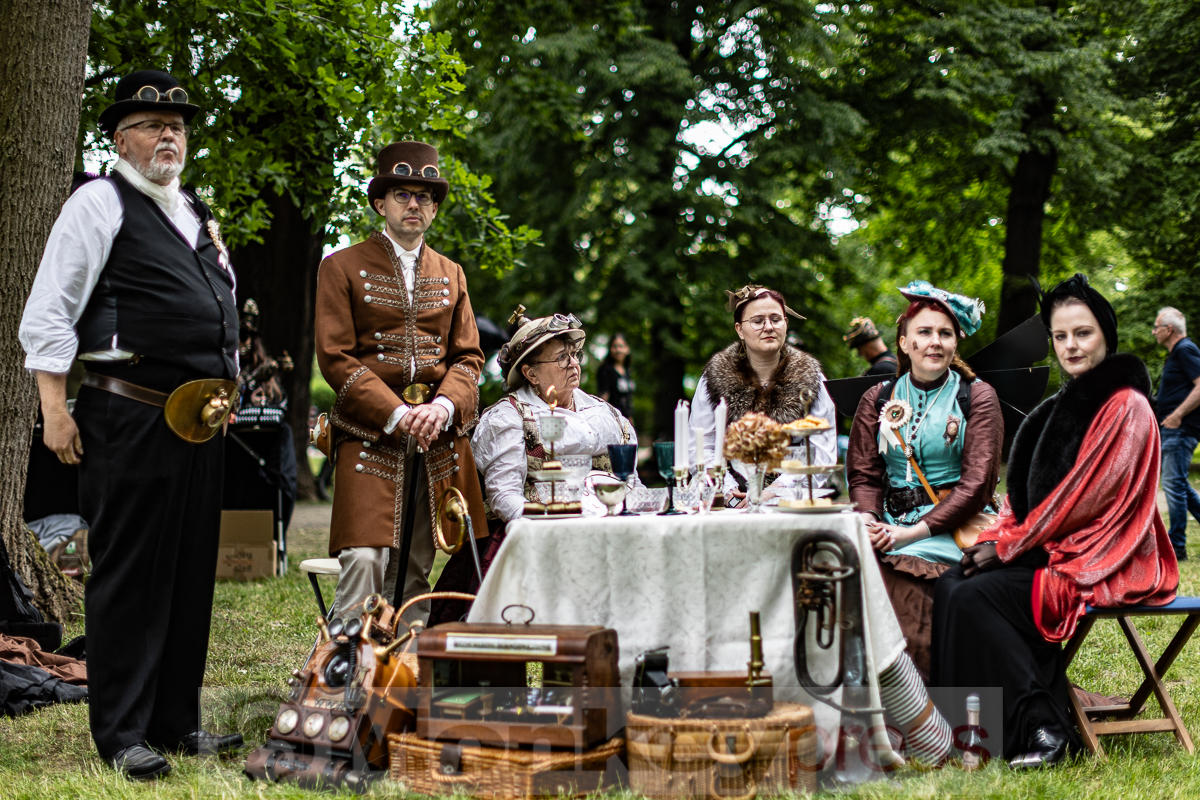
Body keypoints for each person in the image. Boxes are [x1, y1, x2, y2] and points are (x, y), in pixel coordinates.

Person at [18, 70, 242, 779]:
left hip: (201, 419)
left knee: (189, 571)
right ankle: (121, 733)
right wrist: (55, 409)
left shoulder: (195, 211)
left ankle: (176, 722)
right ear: (121, 140)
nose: (168, 135)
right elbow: (50, 309)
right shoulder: (99, 201)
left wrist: (230, 379)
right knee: (129, 573)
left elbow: (221, 304)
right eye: (151, 125)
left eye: (176, 126)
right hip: (130, 412)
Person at [933, 274, 1179, 768]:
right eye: (1060, 336)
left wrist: (1008, 548)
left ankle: (1044, 725)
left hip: (1104, 553)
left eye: (1082, 333)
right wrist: (997, 536)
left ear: (1107, 334)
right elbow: (1021, 496)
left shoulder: (1127, 405)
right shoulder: (1059, 406)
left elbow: (1085, 496)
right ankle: (967, 729)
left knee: (981, 596)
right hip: (1048, 545)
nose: (1070, 346)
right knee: (952, 583)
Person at [315, 140, 487, 625]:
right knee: (364, 558)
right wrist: (396, 413)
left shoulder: (452, 273)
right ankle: (349, 662)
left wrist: (443, 408)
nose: (414, 204)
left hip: (436, 441)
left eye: (424, 197)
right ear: (380, 203)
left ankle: (404, 668)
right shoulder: (339, 266)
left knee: (415, 569)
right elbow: (335, 356)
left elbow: (468, 357)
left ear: (434, 209)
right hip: (371, 434)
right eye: (402, 195)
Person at [429, 308, 637, 624]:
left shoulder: (603, 412)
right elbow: (505, 498)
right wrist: (553, 527)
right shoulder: (510, 417)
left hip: (609, 529)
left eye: (574, 355)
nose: (574, 364)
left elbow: (630, 478)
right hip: (539, 536)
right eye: (561, 358)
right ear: (531, 373)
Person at [845, 282, 1002, 680]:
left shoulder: (977, 396)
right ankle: (862, 695)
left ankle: (924, 700)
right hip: (889, 524)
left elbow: (978, 484)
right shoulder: (877, 398)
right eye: (925, 332)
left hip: (953, 528)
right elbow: (864, 474)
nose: (935, 342)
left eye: (945, 333)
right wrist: (868, 520)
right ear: (904, 342)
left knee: (896, 579)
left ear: (955, 342)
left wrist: (911, 534)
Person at [690, 285, 837, 504]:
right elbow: (700, 448)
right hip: (731, 503)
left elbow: (822, 452)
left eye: (776, 319)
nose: (768, 327)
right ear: (739, 329)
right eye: (758, 321)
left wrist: (774, 491)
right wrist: (729, 493)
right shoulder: (713, 380)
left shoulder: (812, 379)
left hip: (792, 502)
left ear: (785, 324)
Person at [1153, 307, 1200, 561]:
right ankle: (1176, 543)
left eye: (1156, 327)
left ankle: (1176, 546)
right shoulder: (1178, 353)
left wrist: (1177, 415)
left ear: (1168, 329)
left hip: (1179, 430)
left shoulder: (1185, 349)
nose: (1154, 331)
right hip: (1174, 431)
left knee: (1173, 485)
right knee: (1179, 484)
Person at [596, 332, 635, 421]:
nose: (618, 350)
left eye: (621, 346)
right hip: (612, 418)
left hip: (626, 420)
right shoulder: (606, 370)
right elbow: (603, 397)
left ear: (627, 349)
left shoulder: (627, 371)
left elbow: (629, 400)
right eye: (615, 346)